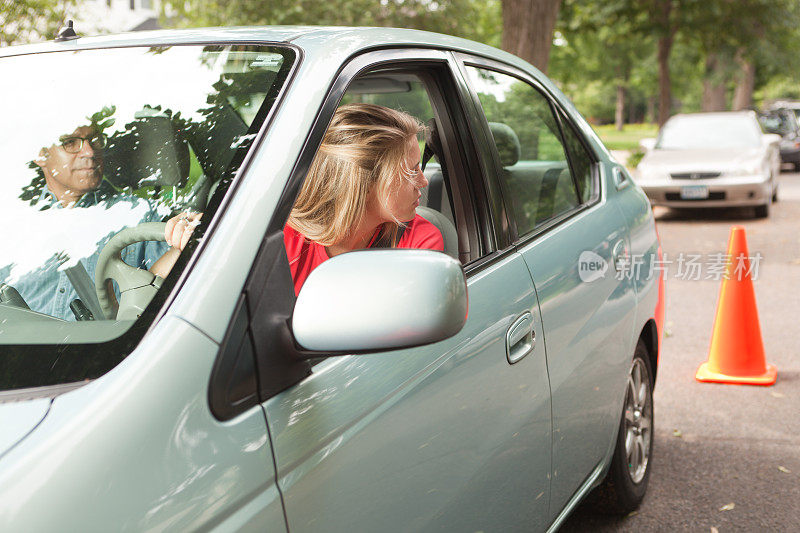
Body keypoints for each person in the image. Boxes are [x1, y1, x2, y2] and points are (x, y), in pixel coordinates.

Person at [4, 123, 194, 320]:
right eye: (70, 142)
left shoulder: (138, 214)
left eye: (94, 141)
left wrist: (187, 241)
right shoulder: (15, 226)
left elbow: (164, 288)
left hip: (108, 348)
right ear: (41, 155)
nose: (90, 152)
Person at [283, 103, 444, 295]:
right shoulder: (284, 241)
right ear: (364, 184)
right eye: (411, 171)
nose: (423, 181)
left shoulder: (419, 241)